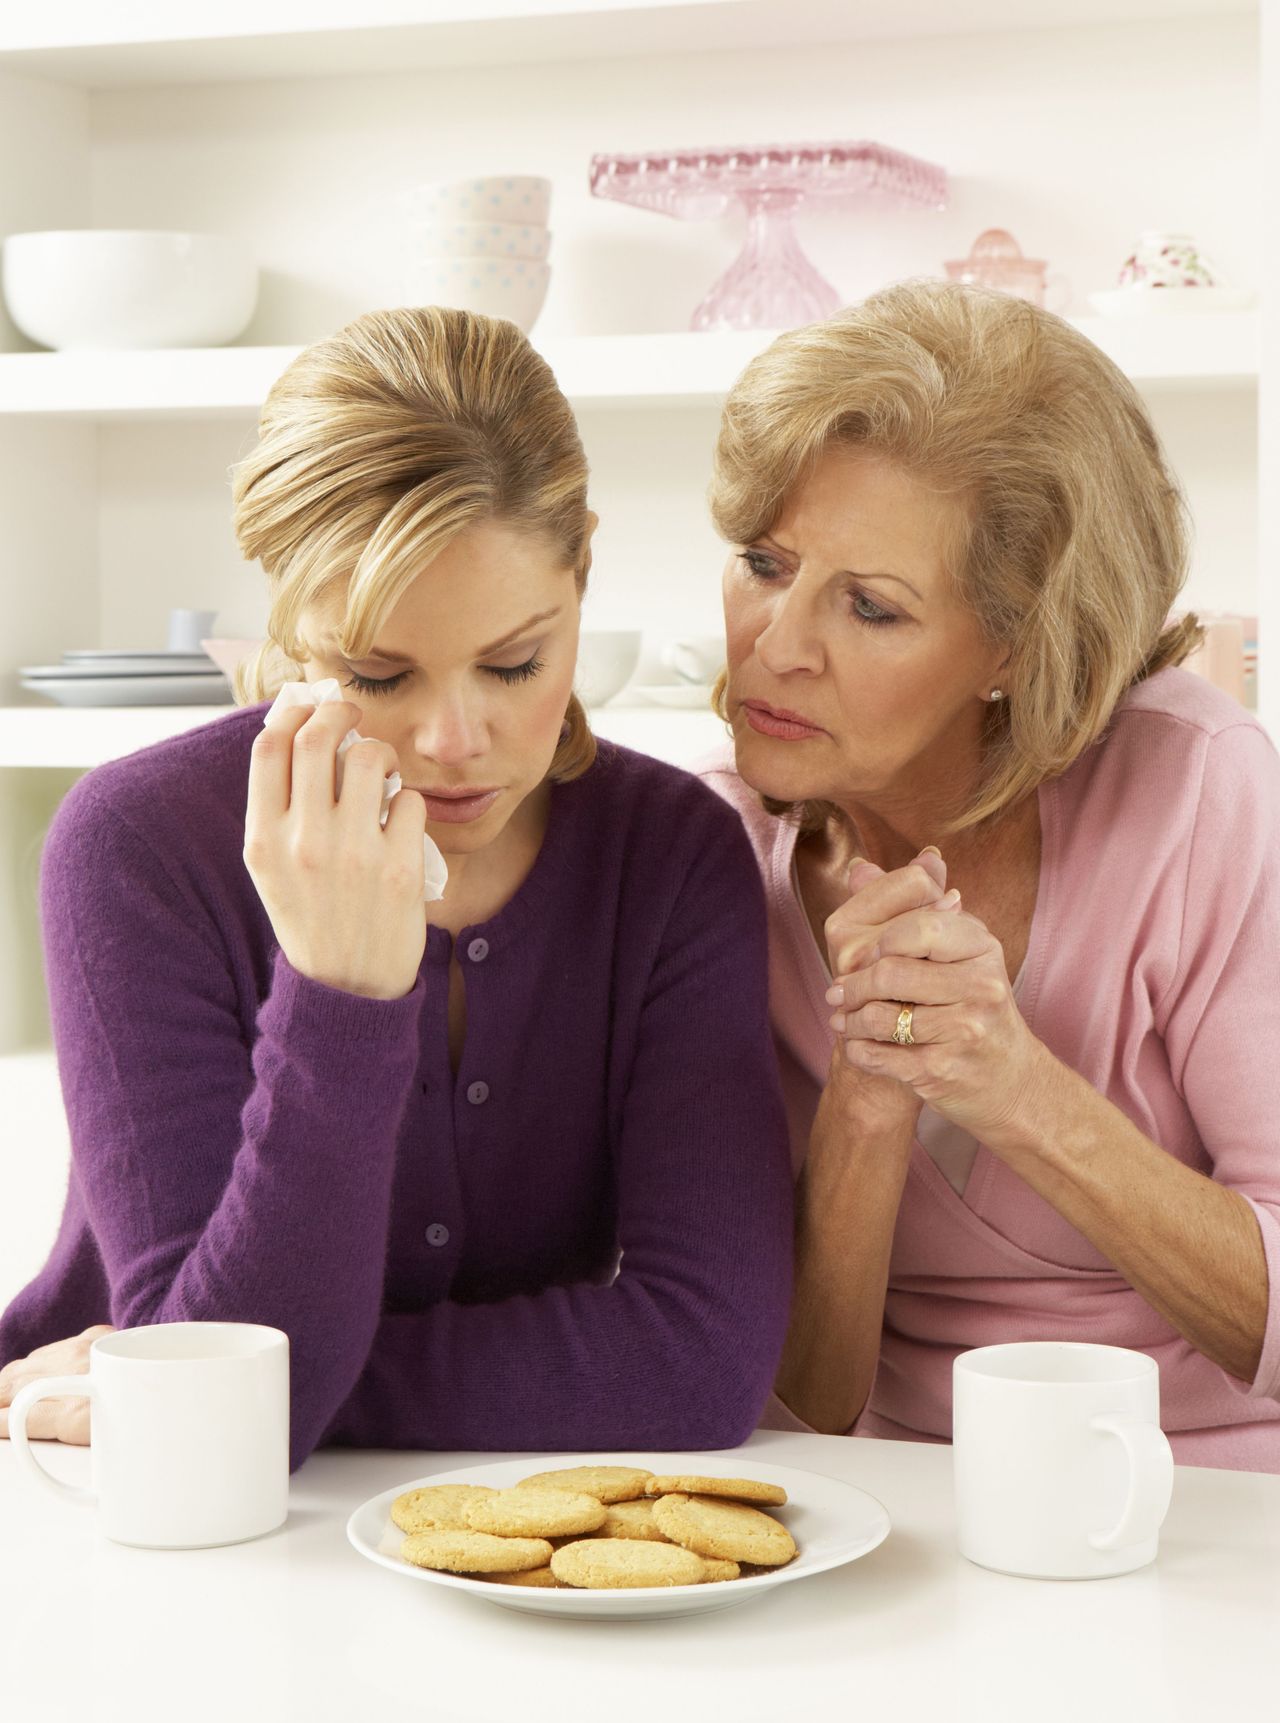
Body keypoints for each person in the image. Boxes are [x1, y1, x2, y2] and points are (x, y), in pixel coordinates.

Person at [0, 306, 793, 1471]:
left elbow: (699, 1361)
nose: (453, 738)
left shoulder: (671, 856)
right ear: (290, 629)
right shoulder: (137, 849)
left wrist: (249, 1378)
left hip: (490, 1530)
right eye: (378, 673)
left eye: (515, 661)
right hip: (118, 1513)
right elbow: (211, 1444)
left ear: (582, 570)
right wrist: (343, 992)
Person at [697, 279, 1280, 1470]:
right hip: (886, 1501)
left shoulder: (1196, 787)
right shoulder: (703, 845)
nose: (777, 642)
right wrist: (869, 1102)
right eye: (764, 561)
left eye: (869, 606)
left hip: (1207, 1499)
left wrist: (1009, 1082)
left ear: (1014, 646)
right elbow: (791, 1406)